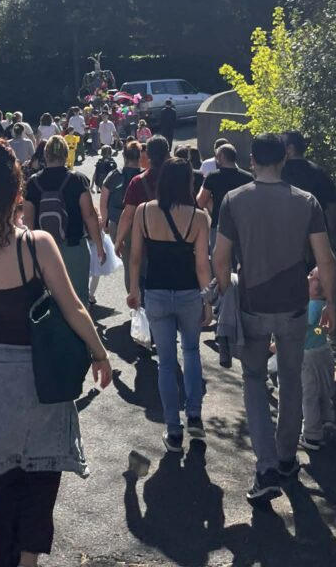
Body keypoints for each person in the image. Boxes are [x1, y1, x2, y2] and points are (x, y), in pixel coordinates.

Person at [0, 139, 112, 567]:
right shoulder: (37, 244)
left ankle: (5, 558)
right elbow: (73, 307)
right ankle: (29, 557)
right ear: (19, 193)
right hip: (36, 372)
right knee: (41, 469)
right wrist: (99, 352)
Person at [213, 133, 336, 505]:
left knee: (254, 381)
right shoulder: (306, 201)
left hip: (252, 304)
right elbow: (325, 259)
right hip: (294, 305)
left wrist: (227, 293)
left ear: (251, 160)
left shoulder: (234, 200)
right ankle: (286, 457)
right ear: (284, 160)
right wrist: (331, 303)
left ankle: (265, 468)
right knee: (291, 379)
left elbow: (220, 257)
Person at [127, 157, 212, 452]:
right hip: (189, 293)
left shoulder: (144, 211)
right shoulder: (199, 218)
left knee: (165, 362)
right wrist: (208, 301)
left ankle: (173, 430)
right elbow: (202, 266)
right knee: (191, 352)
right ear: (189, 182)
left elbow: (135, 257)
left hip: (156, 292)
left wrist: (133, 289)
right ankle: (195, 414)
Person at [23, 135, 105, 303]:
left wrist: (28, 250)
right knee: (78, 296)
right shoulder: (77, 179)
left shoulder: (33, 182)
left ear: (45, 155)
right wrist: (99, 245)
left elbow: (28, 219)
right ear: (66, 155)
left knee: (48, 298)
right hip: (74, 246)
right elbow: (89, 215)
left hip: (43, 248)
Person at [115, 135, 170, 261]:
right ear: (167, 154)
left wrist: (119, 239)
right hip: (178, 240)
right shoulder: (179, 177)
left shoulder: (138, 181)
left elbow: (128, 215)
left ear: (147, 155)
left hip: (149, 240)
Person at [299, 267, 336, 451]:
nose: (308, 278)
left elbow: (301, 326)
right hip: (323, 350)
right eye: (310, 274)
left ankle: (312, 435)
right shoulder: (324, 305)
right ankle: (327, 421)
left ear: (317, 287)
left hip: (309, 355)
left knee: (310, 395)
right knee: (324, 390)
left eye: (313, 277)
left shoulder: (312, 306)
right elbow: (321, 329)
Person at [100, 141, 143, 293]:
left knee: (128, 261)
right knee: (141, 261)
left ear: (124, 156)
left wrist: (105, 222)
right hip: (141, 225)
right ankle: (142, 293)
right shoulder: (145, 176)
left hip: (117, 224)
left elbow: (104, 201)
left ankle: (132, 294)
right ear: (139, 157)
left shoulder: (114, 175)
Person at [281, 131, 336, 239]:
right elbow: (332, 204)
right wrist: (332, 233)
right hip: (316, 233)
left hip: (285, 233)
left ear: (290, 149)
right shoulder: (319, 172)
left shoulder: (279, 173)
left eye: (281, 144)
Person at [196, 143, 253, 250]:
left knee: (218, 258)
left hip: (219, 224)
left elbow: (201, 201)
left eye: (217, 156)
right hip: (241, 226)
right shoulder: (248, 178)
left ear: (222, 156)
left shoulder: (213, 177)